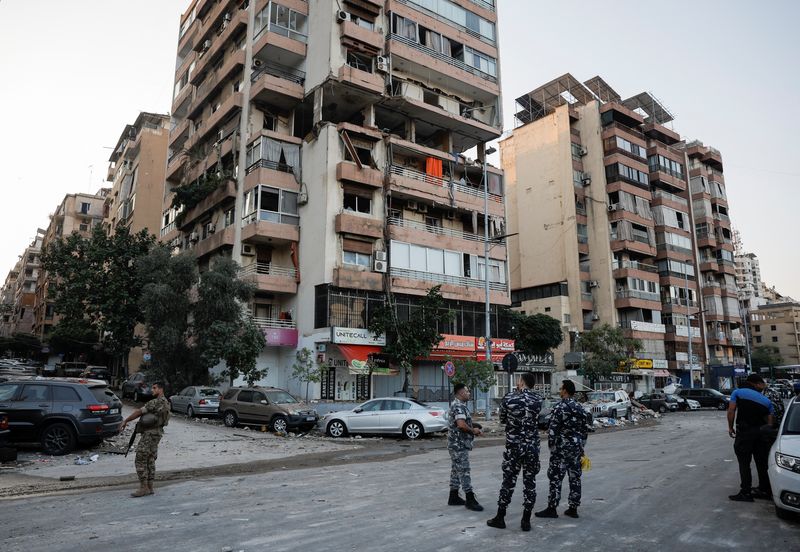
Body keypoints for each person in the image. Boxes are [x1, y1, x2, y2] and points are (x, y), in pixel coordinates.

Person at [487, 372, 543, 531]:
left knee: (508, 481)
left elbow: (503, 419)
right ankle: (526, 520)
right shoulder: (538, 400)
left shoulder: (509, 398)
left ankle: (500, 517)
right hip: (532, 447)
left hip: (514, 447)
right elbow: (536, 419)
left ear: (521, 382)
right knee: (530, 483)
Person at [536, 379, 589, 519]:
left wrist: (552, 447)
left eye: (561, 389)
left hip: (561, 449)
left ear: (565, 390)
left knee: (555, 478)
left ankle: (552, 508)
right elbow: (585, 430)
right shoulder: (580, 408)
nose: (560, 391)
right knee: (575, 478)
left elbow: (553, 430)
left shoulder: (560, 407)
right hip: (576, 448)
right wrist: (581, 447)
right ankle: (573, 508)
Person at [727, 374, 774, 502]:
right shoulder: (766, 401)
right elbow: (770, 423)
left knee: (744, 463)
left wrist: (730, 428)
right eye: (762, 384)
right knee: (762, 463)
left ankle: (746, 492)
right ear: (755, 383)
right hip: (761, 434)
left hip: (745, 433)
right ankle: (765, 490)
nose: (764, 386)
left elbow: (731, 411)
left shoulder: (737, 392)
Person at [120, 381, 171, 498]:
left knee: (140, 458)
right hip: (157, 433)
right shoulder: (167, 403)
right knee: (150, 459)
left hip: (149, 434)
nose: (152, 390)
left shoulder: (155, 402)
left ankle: (144, 487)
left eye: (154, 388)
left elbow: (139, 412)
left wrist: (126, 420)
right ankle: (150, 486)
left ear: (160, 389)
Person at [447, 383, 484, 512]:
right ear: (461, 393)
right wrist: (473, 431)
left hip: (456, 444)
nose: (469, 393)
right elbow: (461, 425)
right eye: (467, 391)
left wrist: (473, 425)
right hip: (458, 445)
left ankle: (453, 496)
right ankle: (470, 498)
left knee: (456, 471)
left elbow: (462, 422)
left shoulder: (459, 405)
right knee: (464, 470)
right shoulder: (458, 406)